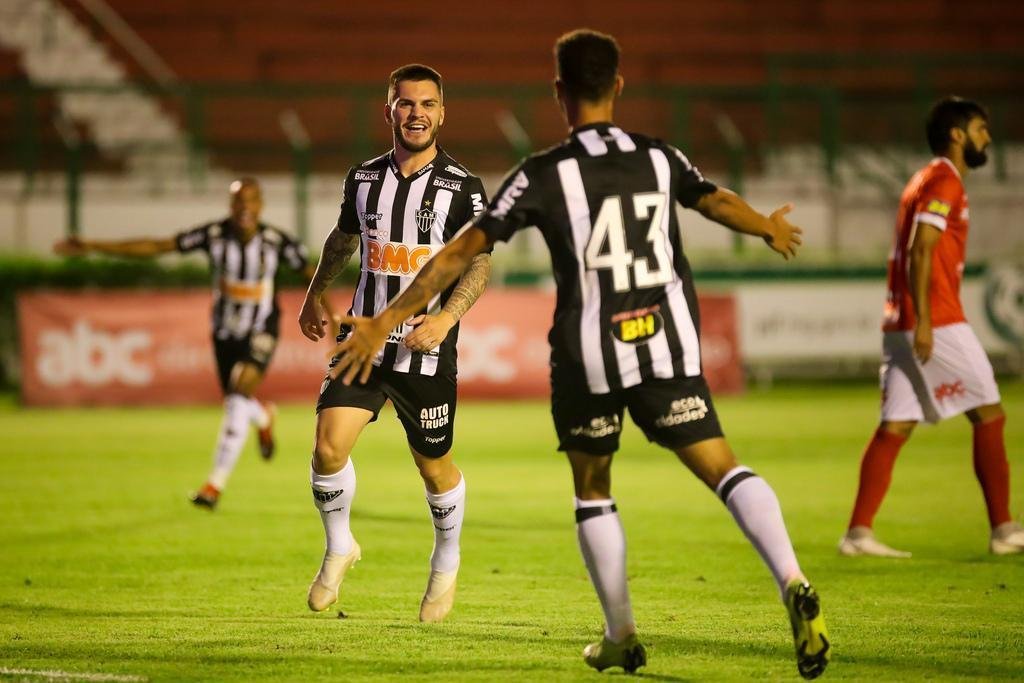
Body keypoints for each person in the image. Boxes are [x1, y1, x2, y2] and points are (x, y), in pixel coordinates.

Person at [328, 30, 829, 679]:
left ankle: (621, 632)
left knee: (595, 489)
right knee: (723, 466)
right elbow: (713, 198)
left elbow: (458, 252)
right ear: (618, 87)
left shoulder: (543, 172)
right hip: (665, 342)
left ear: (559, 92)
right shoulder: (657, 155)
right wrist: (766, 224)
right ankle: (790, 574)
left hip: (588, 349)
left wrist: (389, 319)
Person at [296, 64, 491, 623]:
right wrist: (315, 292)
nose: (416, 114)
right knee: (328, 448)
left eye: (427, 104)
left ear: (442, 112)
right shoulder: (362, 178)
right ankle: (339, 547)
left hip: (423, 348)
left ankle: (446, 560)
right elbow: (344, 236)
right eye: (406, 104)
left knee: (434, 468)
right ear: (389, 111)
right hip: (362, 340)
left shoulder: (464, 187)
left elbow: (480, 263)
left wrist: (449, 317)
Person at [54, 177, 328, 510]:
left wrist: (333, 313)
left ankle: (214, 485)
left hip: (262, 326)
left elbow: (311, 272)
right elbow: (159, 246)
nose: (244, 208)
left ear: (260, 206)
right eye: (238, 201)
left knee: (238, 393)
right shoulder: (213, 235)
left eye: (251, 201)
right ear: (231, 206)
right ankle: (263, 415)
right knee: (236, 401)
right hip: (224, 330)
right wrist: (94, 245)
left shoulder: (276, 242)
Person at [838, 97, 1023, 558]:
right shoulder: (944, 179)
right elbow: (923, 250)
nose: (988, 138)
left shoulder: (923, 177)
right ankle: (1004, 529)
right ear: (958, 134)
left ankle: (858, 534)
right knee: (990, 411)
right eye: (981, 128)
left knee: (895, 426)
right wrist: (924, 321)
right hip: (934, 319)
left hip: (901, 320)